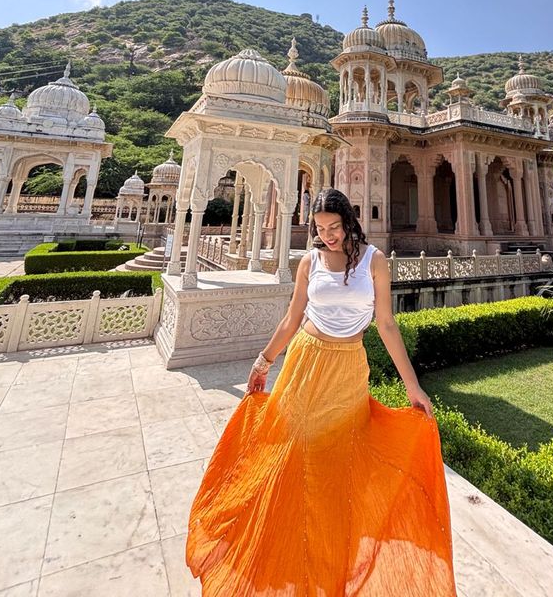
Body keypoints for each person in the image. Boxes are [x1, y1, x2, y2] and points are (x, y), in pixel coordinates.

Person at [186, 187, 457, 596]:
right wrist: (263, 362)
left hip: (348, 369)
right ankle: (279, 548)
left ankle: (326, 556)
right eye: (320, 228)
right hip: (306, 362)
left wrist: (413, 386)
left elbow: (386, 325)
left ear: (349, 221)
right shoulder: (309, 262)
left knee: (336, 462)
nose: (328, 235)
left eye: (334, 226)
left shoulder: (375, 262)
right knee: (292, 452)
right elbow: (292, 319)